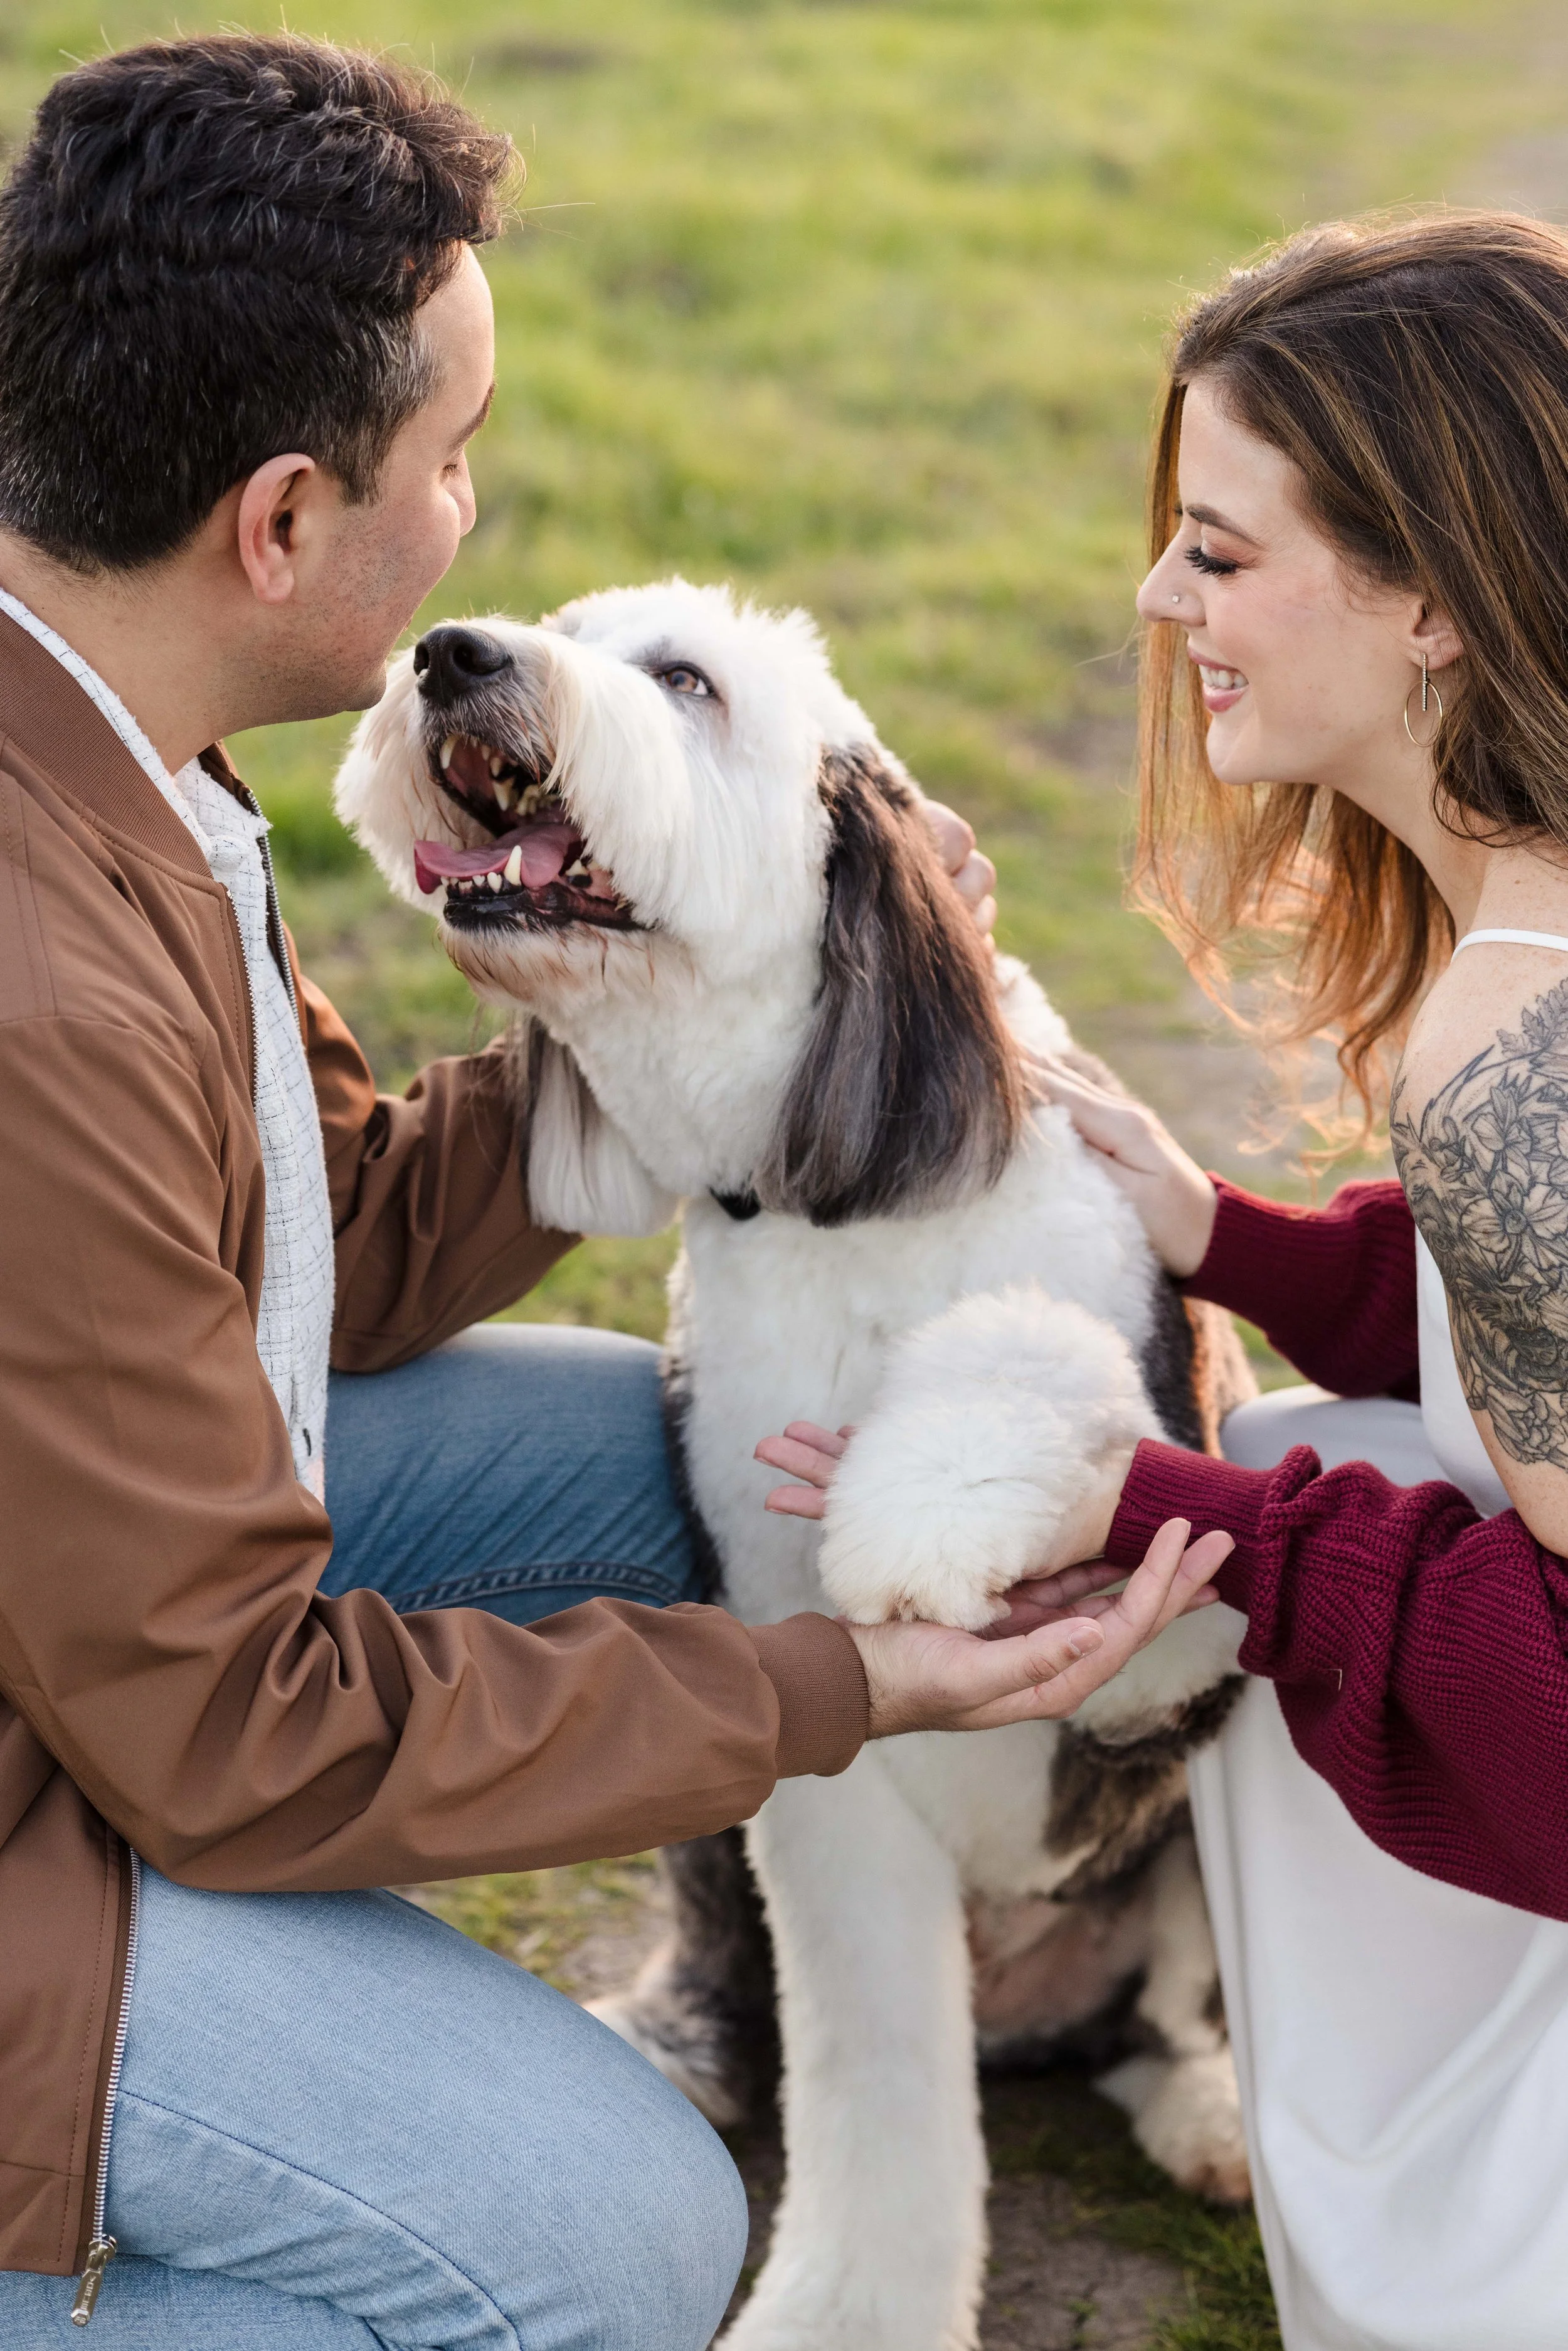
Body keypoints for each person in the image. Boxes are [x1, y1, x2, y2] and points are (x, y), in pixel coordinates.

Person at [0, 33, 1231, 2351]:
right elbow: (222, 1736)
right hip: (76, 1792)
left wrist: (704, 1015)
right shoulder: (43, 992)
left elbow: (312, 1247)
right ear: (280, 520)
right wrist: (816, 1681)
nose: (471, 521)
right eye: (451, 461)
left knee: (627, 1455)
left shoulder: (104, 724)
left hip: (83, 1619)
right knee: (610, 2242)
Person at [765, 211, 1568, 2351]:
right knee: (1338, 1430)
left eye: (1217, 550)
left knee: (1307, 1472)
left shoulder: (1522, 1038)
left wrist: (1144, 1501)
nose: (1155, 597)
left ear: (1425, 598)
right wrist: (1238, 1242)